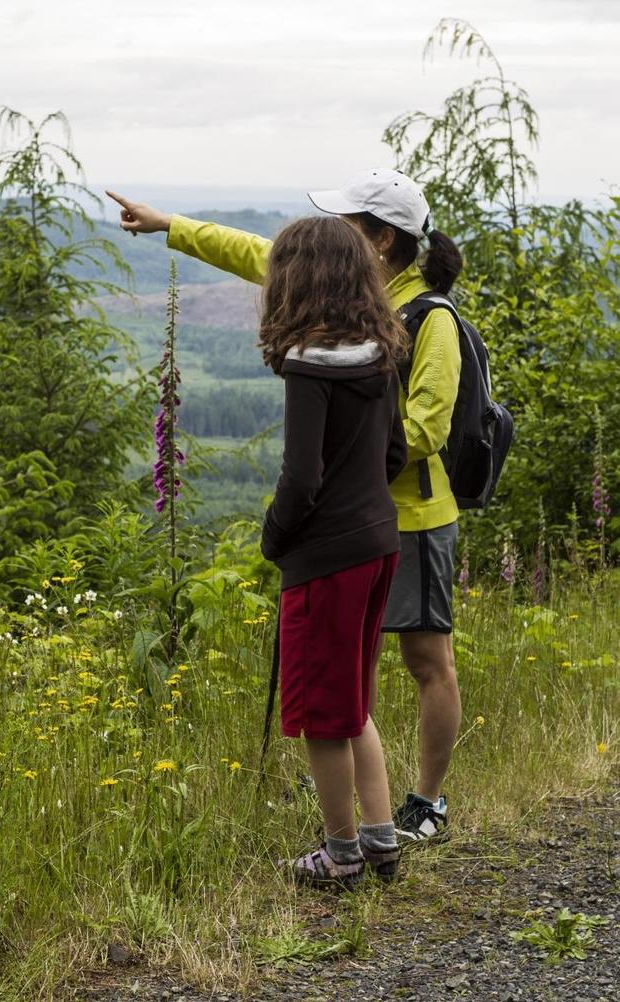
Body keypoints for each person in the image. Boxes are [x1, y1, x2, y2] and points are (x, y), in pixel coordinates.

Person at [108, 170, 464, 843]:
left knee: (425, 663)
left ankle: (425, 803)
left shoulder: (427, 319)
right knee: (350, 684)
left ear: (381, 240)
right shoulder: (344, 298)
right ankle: (371, 817)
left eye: (349, 225)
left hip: (407, 519)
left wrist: (342, 471)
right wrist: (170, 227)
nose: (332, 237)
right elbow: (257, 254)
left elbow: (428, 428)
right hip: (362, 522)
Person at [256, 214, 407, 887]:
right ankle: (380, 840)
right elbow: (396, 452)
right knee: (354, 702)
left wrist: (276, 535)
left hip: (328, 558)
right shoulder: (382, 353)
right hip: (380, 543)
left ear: (296, 281)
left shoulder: (306, 367)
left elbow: (301, 477)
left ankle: (340, 854)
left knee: (323, 713)